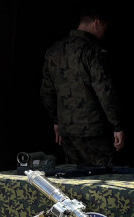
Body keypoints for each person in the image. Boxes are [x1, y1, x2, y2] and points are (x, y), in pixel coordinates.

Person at [40, 9, 124, 167]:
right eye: (105, 27)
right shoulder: (92, 51)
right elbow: (105, 91)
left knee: (74, 181)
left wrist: (57, 122)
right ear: (96, 23)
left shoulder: (54, 51)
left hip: (68, 131)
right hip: (95, 131)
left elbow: (46, 92)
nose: (105, 32)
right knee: (102, 182)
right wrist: (117, 125)